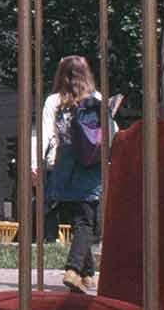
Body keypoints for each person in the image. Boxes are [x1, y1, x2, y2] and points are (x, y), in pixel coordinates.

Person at [38, 55, 114, 297]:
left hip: (64, 164)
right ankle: (72, 269)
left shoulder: (53, 101)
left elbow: (45, 133)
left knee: (77, 219)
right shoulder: (97, 98)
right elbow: (111, 132)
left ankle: (87, 273)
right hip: (90, 166)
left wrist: (35, 164)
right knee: (86, 221)